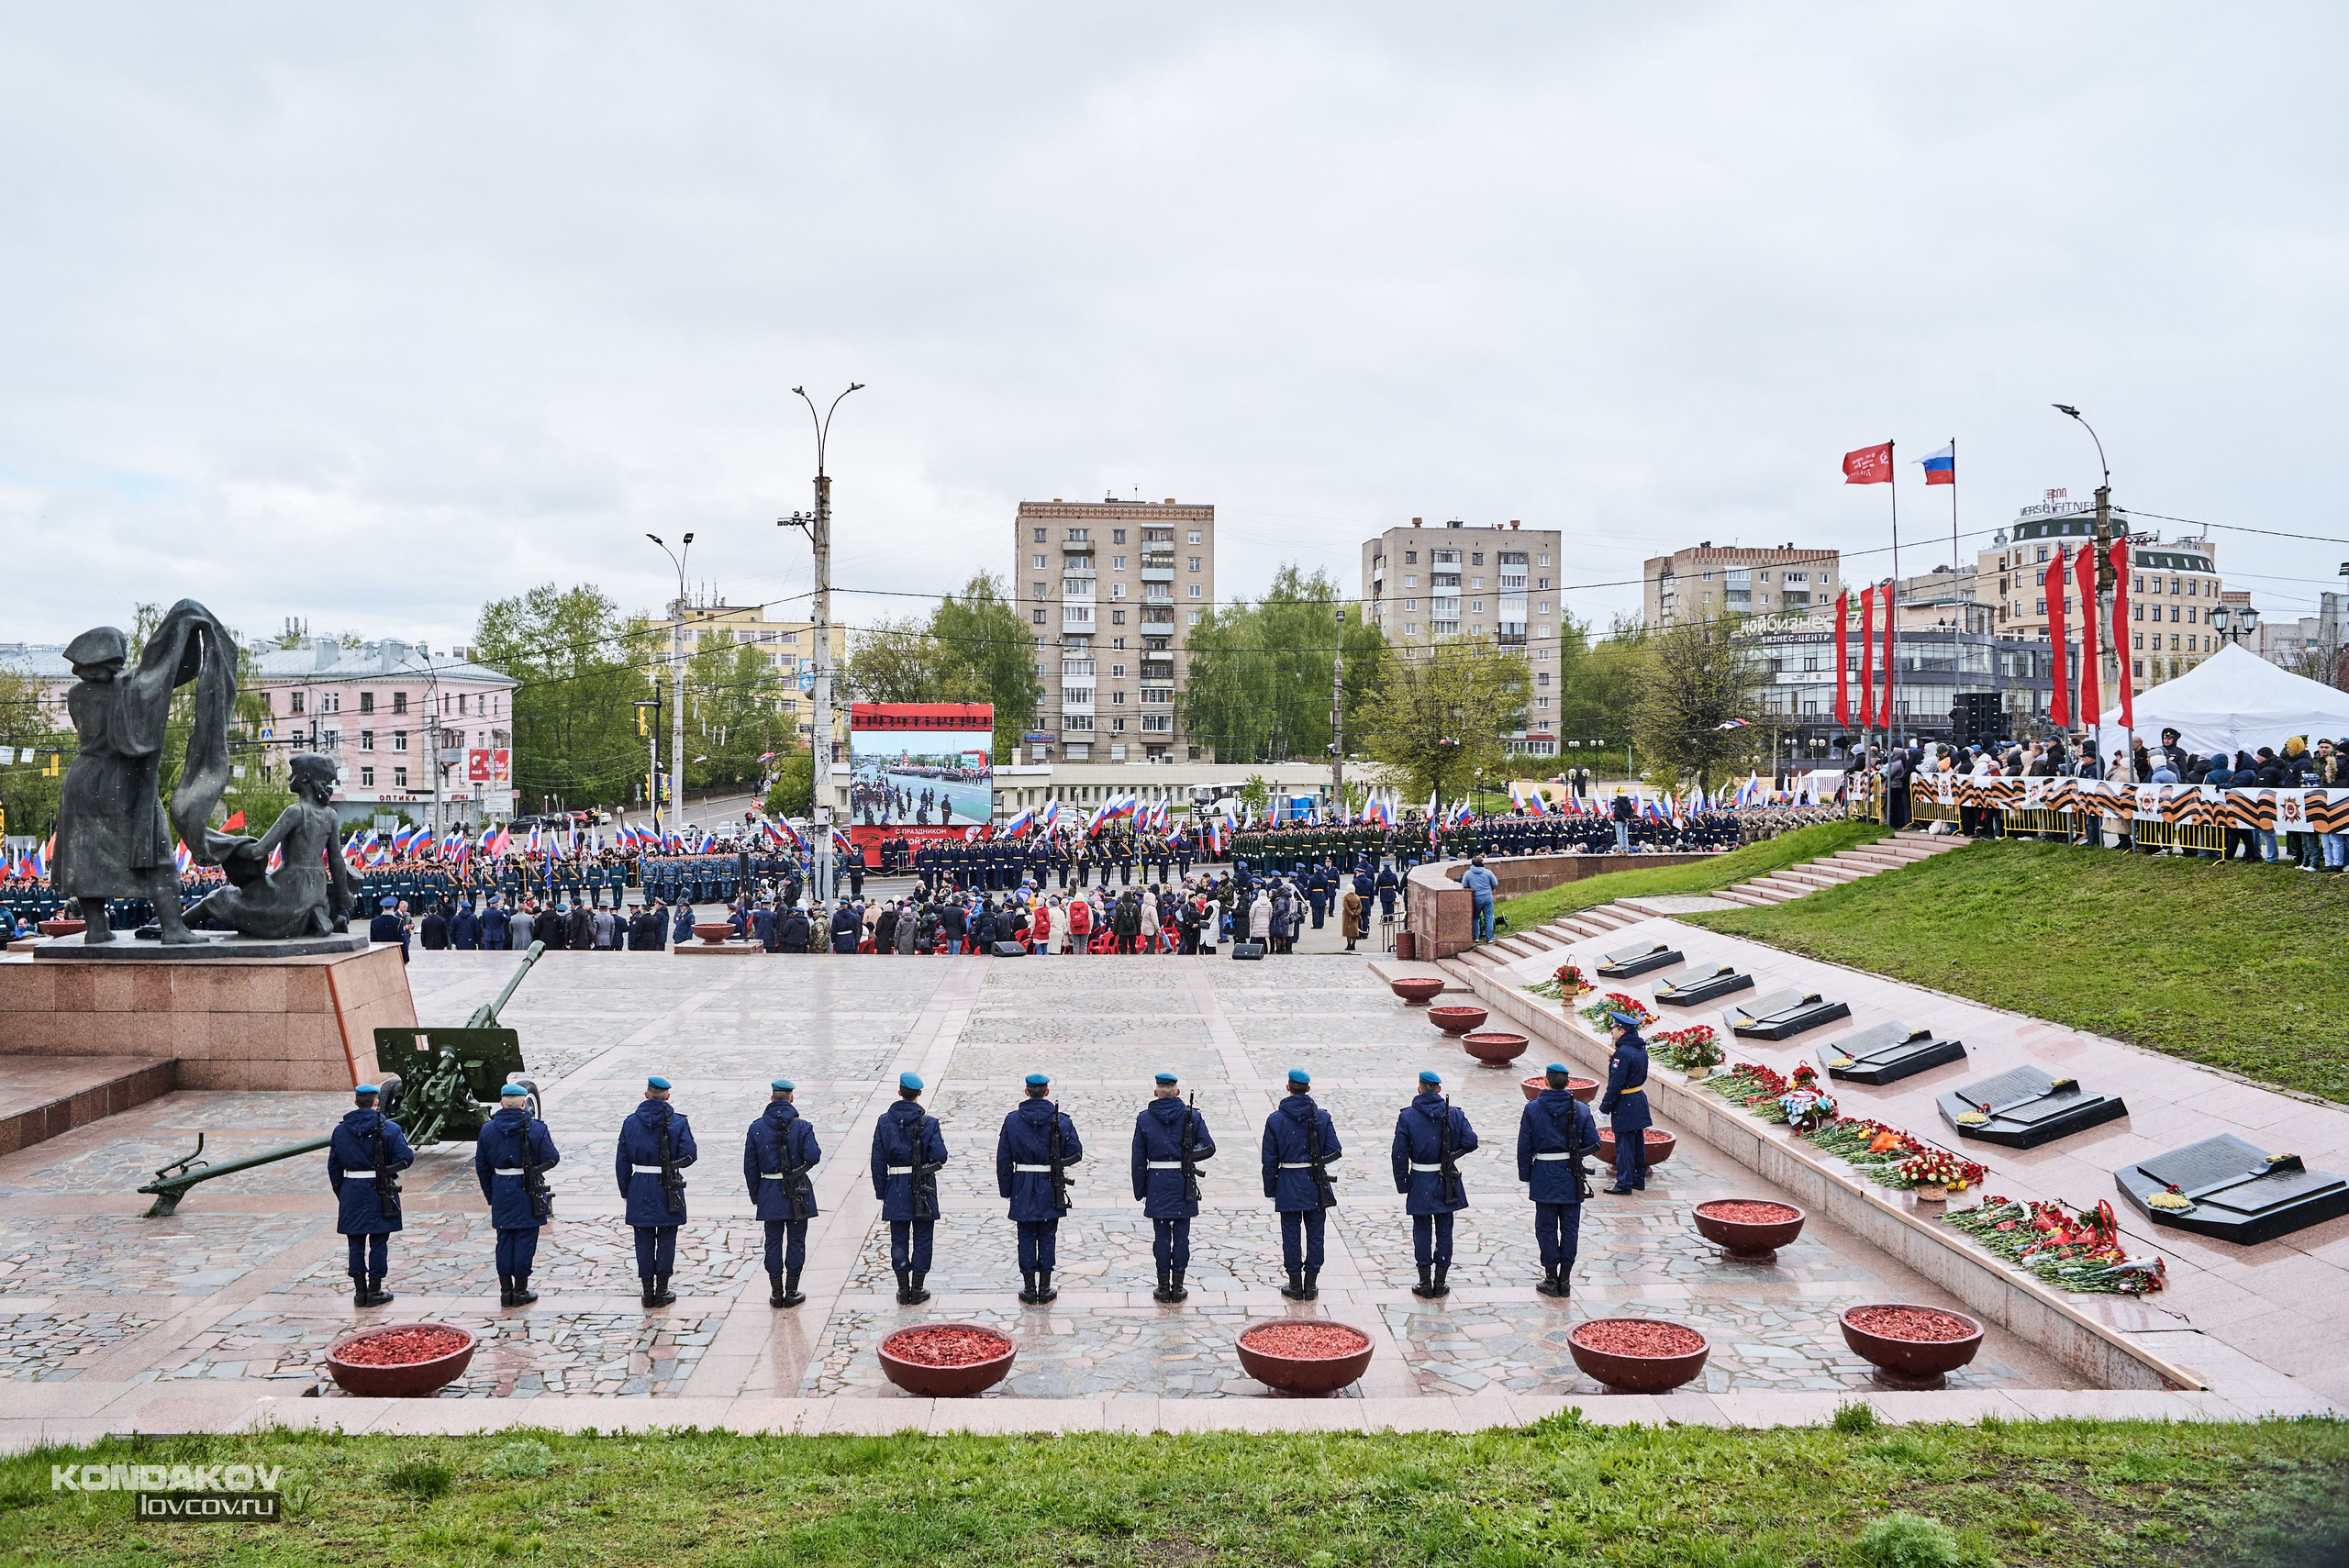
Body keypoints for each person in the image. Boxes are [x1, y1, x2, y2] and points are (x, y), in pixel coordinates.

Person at [996, 1073, 1083, 1304]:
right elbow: (1076, 1152)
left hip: (1023, 1183)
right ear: (1046, 1092)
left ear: (1027, 1091)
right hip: (1048, 1183)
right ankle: (1044, 1286)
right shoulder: (1061, 1121)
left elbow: (1003, 1159)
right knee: (1047, 1235)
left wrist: (1007, 1190)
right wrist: (1057, 1163)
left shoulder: (1013, 1120)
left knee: (1025, 1235)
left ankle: (1029, 1286)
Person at [1518, 1062, 1601, 1296]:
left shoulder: (1533, 1109)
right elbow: (1594, 1143)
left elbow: (1525, 1145)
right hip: (1570, 1174)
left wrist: (1526, 1175)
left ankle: (1551, 1277)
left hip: (1543, 1173)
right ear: (1567, 1083)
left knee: (1545, 1228)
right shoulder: (1581, 1109)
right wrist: (1574, 1153)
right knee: (1570, 1228)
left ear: (1545, 1081)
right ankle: (1565, 1279)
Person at [1392, 1069, 1476, 1298]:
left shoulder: (1408, 1116)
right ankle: (1440, 1281)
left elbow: (1399, 1154)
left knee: (1421, 1230)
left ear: (1419, 1089)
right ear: (1439, 1089)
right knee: (1445, 1230)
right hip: (1446, 1178)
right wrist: (1451, 1156)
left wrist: (1403, 1183)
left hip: (1420, 1179)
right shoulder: (1454, 1114)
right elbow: (1471, 1141)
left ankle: (1424, 1281)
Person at [328, 1083, 414, 1307]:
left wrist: (343, 1191)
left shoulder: (340, 1131)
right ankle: (375, 1288)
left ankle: (360, 1291)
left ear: (356, 1103)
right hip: (379, 1190)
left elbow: (334, 1167)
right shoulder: (390, 1129)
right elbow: (405, 1157)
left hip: (352, 1190)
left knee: (355, 1241)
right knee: (378, 1241)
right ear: (377, 1102)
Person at [615, 1074, 696, 1308]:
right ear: (667, 1097)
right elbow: (690, 1154)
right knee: (667, 1238)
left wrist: (626, 1190)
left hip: (640, 1183)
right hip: (668, 1184)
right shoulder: (678, 1122)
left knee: (643, 1239)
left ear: (646, 1095)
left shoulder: (631, 1122)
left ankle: (647, 1290)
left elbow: (622, 1160)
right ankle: (662, 1289)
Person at [1132, 1070, 1214, 1302]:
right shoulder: (1191, 1117)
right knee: (1181, 1237)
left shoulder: (1145, 1119)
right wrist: (1187, 1155)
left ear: (1156, 1092)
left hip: (1157, 1182)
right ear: (1177, 1092)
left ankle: (1162, 1285)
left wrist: (1141, 1191)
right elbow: (1208, 1146)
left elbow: (1138, 1159)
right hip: (1182, 1180)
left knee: (1160, 1236)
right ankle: (1177, 1286)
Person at [474, 1083, 559, 1307]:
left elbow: (482, 1167)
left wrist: (491, 1194)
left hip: (501, 1185)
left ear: (501, 1103)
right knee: (525, 1238)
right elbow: (552, 1157)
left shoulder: (487, 1129)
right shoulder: (537, 1128)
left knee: (504, 1238)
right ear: (523, 1103)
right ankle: (520, 1290)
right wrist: (533, 1171)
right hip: (526, 1188)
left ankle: (505, 1290)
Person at [1261, 1067, 1341, 1301]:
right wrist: (1315, 1161)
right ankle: (1311, 1283)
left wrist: (1271, 1188)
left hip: (1288, 1182)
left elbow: (1269, 1159)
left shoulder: (1276, 1120)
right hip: (1315, 1183)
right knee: (1316, 1234)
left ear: (1288, 1088)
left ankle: (1295, 1283)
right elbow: (1334, 1150)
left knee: (1291, 1234)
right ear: (1308, 1089)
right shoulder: (1322, 1117)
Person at [873, 1072, 949, 1304]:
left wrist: (881, 1191)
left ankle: (902, 1287)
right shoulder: (929, 1123)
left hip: (895, 1185)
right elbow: (941, 1156)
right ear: (919, 1094)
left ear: (899, 1092)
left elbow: (877, 1160)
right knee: (923, 1238)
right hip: (923, 1186)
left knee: (899, 1238)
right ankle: (918, 1287)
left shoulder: (884, 1121)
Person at [746, 1078, 821, 1308]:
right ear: (791, 1098)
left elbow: (750, 1166)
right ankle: (792, 1289)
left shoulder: (757, 1127)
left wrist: (757, 1195)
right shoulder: (802, 1126)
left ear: (772, 1098)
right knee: (796, 1241)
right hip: (797, 1190)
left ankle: (776, 1291)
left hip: (770, 1190)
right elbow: (814, 1156)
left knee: (773, 1242)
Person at [1597, 1009, 1653, 1195]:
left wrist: (1604, 1108)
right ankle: (1637, 1179)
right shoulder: (1639, 1049)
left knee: (1624, 1146)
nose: (1612, 1032)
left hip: (1625, 1101)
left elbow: (1615, 1084)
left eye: (1614, 1028)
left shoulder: (1623, 1054)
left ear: (1622, 1030)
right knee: (1637, 1143)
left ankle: (1624, 1183)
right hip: (1637, 1099)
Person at [1461, 855, 1499, 943]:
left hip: (1475, 898)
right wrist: (1490, 889)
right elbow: (1495, 883)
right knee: (1488, 918)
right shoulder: (1488, 872)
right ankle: (1489, 938)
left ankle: (1476, 937)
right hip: (1487, 897)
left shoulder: (1468, 873)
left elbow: (1464, 885)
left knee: (1475, 917)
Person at [369, 895, 409, 962]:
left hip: (379, 953)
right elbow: (402, 940)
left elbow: (373, 940)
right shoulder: (398, 921)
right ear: (393, 908)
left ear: (383, 908)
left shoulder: (374, 921)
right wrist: (405, 958)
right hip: (394, 953)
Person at [1341, 879, 1364, 953]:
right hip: (1355, 914)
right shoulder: (1357, 897)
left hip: (1348, 916)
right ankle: (1354, 944)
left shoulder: (1346, 897)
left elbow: (1346, 907)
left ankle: (1349, 945)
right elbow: (1360, 907)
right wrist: (1356, 913)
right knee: (1354, 931)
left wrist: (1351, 914)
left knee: (1348, 931)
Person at [1610, 789, 1635, 854]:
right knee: (1625, 836)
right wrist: (1628, 818)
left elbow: (1618, 811)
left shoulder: (1618, 800)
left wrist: (1623, 818)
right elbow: (1631, 810)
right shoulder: (1627, 800)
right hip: (1626, 821)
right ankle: (1626, 849)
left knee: (1619, 835)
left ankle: (1619, 850)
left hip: (1619, 820)